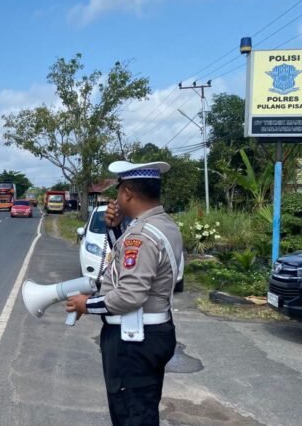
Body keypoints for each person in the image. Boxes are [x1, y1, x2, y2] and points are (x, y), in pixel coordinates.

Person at [65, 161, 183, 426]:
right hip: (153, 332)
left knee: (131, 415)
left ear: (128, 192)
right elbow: (131, 269)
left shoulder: (139, 236)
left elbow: (130, 295)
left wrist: (87, 305)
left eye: (118, 191)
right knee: (141, 407)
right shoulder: (162, 225)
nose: (116, 198)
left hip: (133, 342)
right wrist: (115, 228)